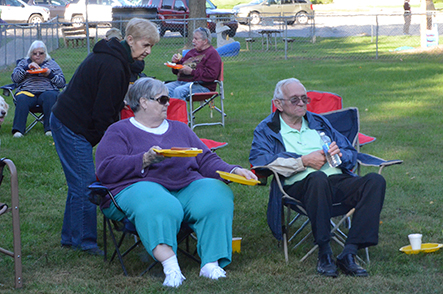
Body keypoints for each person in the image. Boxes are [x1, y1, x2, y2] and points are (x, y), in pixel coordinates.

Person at [95, 77, 257, 287]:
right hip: (139, 185)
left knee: (217, 193)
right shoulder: (119, 131)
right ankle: (171, 266)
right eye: (162, 99)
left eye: (168, 99)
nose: (168, 103)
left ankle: (211, 263)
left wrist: (233, 170)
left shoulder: (180, 129)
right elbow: (106, 168)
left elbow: (206, 158)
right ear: (143, 102)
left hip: (185, 184)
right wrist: (144, 159)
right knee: (159, 202)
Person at [249, 78, 386, 278]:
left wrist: (339, 155)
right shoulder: (268, 129)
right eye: (294, 100)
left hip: (336, 180)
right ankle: (324, 252)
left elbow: (349, 150)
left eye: (304, 99)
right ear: (278, 104)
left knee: (375, 181)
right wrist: (302, 161)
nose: (302, 103)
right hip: (297, 185)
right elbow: (259, 161)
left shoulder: (318, 122)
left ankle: (349, 252)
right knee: (318, 178)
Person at [50, 18, 160, 256]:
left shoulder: (117, 60)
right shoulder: (113, 66)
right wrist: (117, 144)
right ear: (129, 40)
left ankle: (70, 238)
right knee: (85, 184)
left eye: (151, 46)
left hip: (70, 120)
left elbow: (110, 107)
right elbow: (103, 113)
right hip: (70, 124)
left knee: (78, 183)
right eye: (145, 45)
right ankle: (84, 242)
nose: (148, 51)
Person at [11, 40, 66, 137]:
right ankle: (18, 131)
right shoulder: (24, 63)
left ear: (45, 54)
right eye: (34, 53)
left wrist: (50, 75)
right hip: (27, 91)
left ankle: (49, 129)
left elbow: (62, 83)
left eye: (41, 53)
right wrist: (26, 68)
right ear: (30, 54)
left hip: (47, 91)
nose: (38, 55)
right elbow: (14, 78)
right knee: (22, 98)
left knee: (51, 96)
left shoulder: (51, 64)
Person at [165, 27, 221, 100]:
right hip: (183, 82)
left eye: (196, 39)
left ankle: (180, 111)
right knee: (163, 89)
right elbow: (177, 71)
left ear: (205, 41)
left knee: (179, 91)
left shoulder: (212, 54)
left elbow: (211, 76)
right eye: (193, 38)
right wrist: (175, 63)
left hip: (202, 86)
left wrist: (192, 72)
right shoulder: (192, 52)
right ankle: (168, 111)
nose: (193, 41)